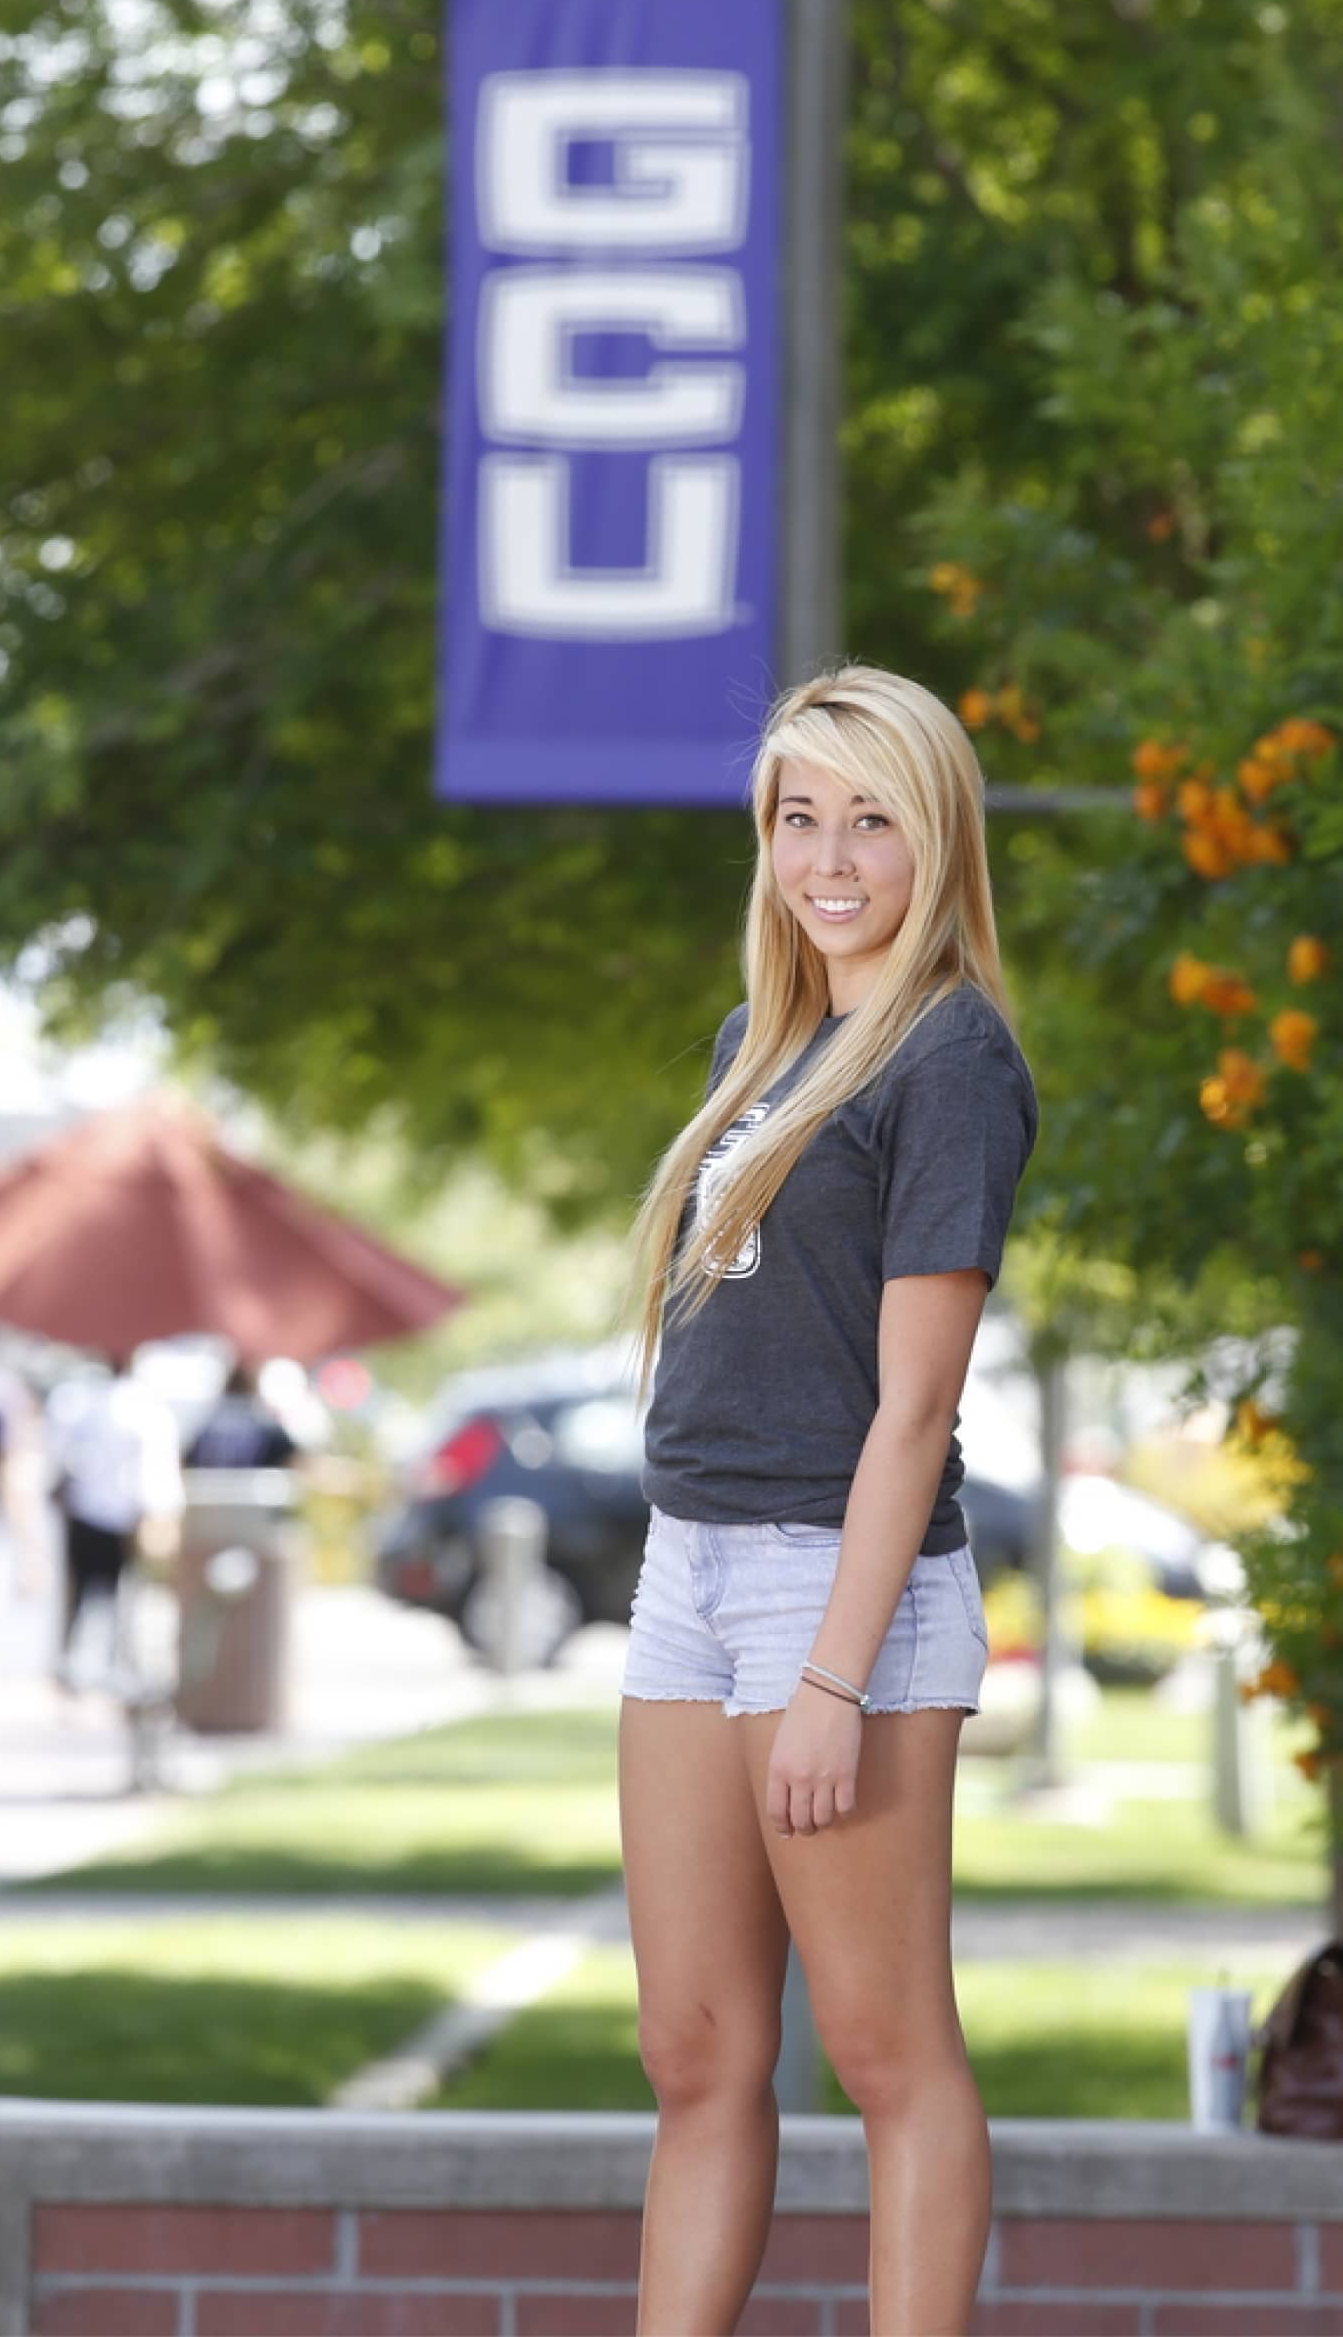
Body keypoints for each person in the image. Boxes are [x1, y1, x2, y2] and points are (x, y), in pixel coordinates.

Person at [619, 665, 1039, 2337]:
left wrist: (828, 1677)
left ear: (933, 833)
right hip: (687, 1565)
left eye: (869, 815)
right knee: (694, 2048)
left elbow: (915, 1407)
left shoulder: (947, 1054)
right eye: (798, 816)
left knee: (881, 2046)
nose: (829, 854)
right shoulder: (763, 1044)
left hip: (833, 1586)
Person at [48, 1353, 184, 1679]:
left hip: (97, 1514)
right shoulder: (143, 1407)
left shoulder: (85, 1402)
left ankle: (83, 1664)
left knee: (88, 1596)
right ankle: (113, 1665)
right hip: (123, 1515)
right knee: (124, 1597)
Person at [184, 1361, 299, 1471]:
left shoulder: (206, 1424)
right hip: (254, 1487)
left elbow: (189, 1457)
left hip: (208, 1486)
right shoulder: (261, 1422)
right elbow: (291, 1456)